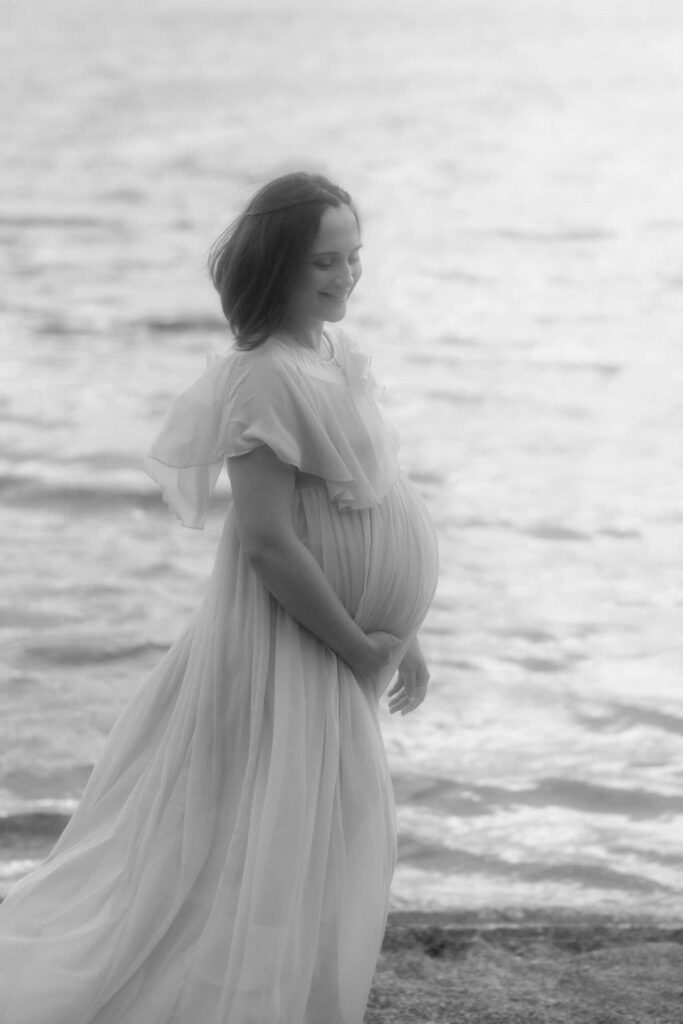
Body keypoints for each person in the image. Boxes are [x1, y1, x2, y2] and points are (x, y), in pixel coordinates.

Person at [0, 171, 439, 1024]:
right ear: (273, 266)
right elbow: (271, 540)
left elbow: (371, 490)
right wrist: (356, 643)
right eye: (322, 261)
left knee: (324, 831)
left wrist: (405, 624)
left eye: (353, 256)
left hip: (346, 636)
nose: (345, 276)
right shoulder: (262, 376)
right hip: (294, 639)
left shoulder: (333, 353)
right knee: (272, 831)